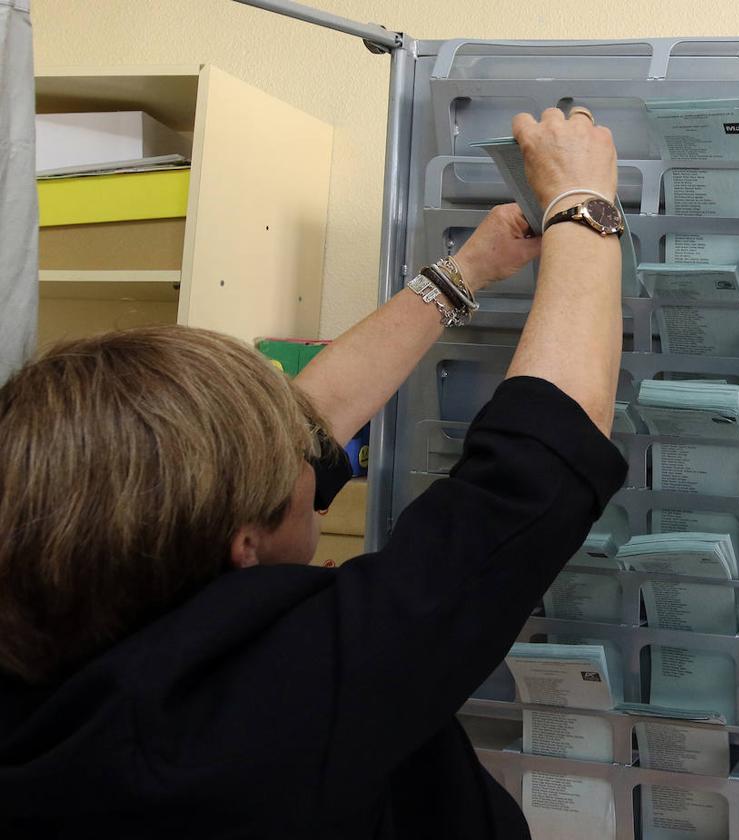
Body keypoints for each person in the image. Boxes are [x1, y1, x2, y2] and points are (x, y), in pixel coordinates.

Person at [0, 107, 625, 839]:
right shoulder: (252, 723)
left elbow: (306, 420)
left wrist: (466, 271)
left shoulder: (72, 616)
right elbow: (534, 470)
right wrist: (584, 205)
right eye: (295, 464)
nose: (314, 452)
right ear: (244, 547)